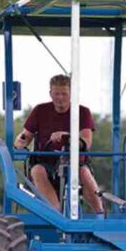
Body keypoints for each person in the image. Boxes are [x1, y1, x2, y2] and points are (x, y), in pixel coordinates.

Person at [13, 74, 104, 213]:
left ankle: (100, 214)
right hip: (46, 163)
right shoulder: (40, 111)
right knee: (37, 170)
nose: (60, 98)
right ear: (50, 93)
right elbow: (25, 136)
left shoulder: (83, 112)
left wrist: (67, 137)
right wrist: (19, 143)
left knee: (84, 172)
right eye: (56, 93)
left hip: (75, 163)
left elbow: (86, 142)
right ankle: (56, 214)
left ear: (71, 94)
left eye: (64, 94)